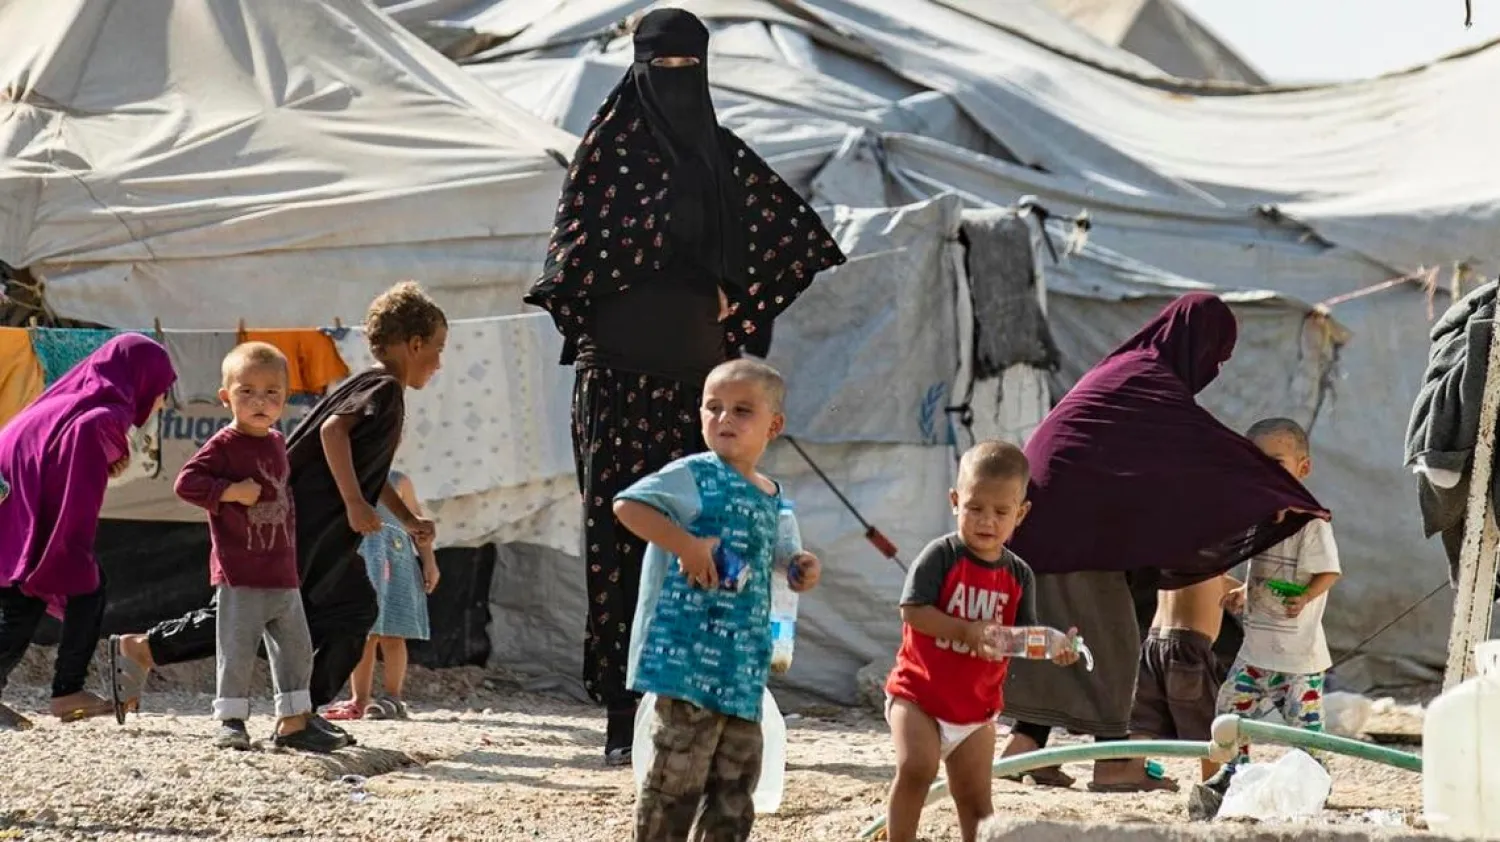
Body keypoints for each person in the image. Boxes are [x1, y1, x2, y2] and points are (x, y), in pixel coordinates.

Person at [523, 7, 846, 763]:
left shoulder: (719, 157)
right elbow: (573, 260)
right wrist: (667, 250)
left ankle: (698, 700)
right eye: (660, 68)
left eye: (686, 69)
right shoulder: (606, 154)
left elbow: (793, 241)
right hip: (618, 383)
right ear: (637, 67)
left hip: (699, 394)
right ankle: (619, 711)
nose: (674, 83)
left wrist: (735, 293)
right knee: (621, 538)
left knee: (708, 536)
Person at [996, 293, 1330, 792]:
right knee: (1115, 642)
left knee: (1071, 641)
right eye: (1215, 354)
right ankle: (1115, 765)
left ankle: (1023, 752)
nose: (1213, 368)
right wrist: (1278, 494)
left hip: (1040, 528)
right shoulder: (1148, 382)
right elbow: (1204, 453)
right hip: (1069, 533)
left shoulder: (1130, 373)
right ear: (1194, 341)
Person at [106, 282, 446, 745]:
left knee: (352, 609)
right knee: (253, 609)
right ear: (415, 344)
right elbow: (332, 433)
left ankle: (303, 713)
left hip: (327, 532)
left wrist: (405, 520)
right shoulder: (384, 387)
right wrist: (352, 503)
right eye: (438, 349)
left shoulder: (375, 387)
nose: (439, 362)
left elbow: (371, 471)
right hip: (303, 523)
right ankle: (145, 649)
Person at [613, 359, 822, 842]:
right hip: (686, 661)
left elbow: (779, 555)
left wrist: (799, 567)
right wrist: (686, 545)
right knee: (676, 776)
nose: (724, 419)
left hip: (742, 666)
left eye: (742, 410)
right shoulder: (692, 475)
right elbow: (628, 505)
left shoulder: (771, 494)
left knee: (736, 782)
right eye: (714, 407)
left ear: (774, 425)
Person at [883, 441, 1079, 842]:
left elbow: (1018, 639)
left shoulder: (1019, 575)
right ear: (955, 501)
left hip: (976, 711)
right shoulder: (941, 555)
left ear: (1020, 514)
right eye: (975, 508)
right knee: (917, 768)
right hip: (918, 695)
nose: (986, 521)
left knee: (976, 801)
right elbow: (912, 611)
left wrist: (1054, 647)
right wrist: (965, 631)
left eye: (1001, 512)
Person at [0, 334, 176, 730]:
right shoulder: (104, 416)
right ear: (141, 379)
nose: (163, 401)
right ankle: (67, 692)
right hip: (24, 514)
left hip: (15, 509)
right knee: (74, 586)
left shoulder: (75, 401)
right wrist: (70, 548)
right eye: (163, 389)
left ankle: (66, 690)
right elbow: (78, 491)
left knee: (26, 599)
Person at [174, 342, 341, 752]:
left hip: (282, 570)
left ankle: (293, 720)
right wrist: (229, 491)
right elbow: (186, 483)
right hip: (240, 570)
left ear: (285, 398)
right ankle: (231, 720)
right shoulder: (224, 445)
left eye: (272, 393)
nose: (260, 401)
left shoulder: (277, 443)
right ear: (225, 396)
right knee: (237, 649)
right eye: (246, 391)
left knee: (297, 649)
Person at [1200, 418, 1342, 800]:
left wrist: (1306, 596)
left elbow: (1329, 572)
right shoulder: (1260, 521)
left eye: (1275, 462)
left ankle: (1317, 783)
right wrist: (1247, 591)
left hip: (1298, 658)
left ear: (1303, 468)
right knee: (1230, 710)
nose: (1264, 472)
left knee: (1305, 730)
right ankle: (1234, 774)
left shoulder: (1311, 523)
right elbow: (1265, 569)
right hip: (1256, 652)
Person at [324, 469, 438, 721]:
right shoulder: (350, 479)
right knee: (364, 633)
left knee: (394, 634)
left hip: (396, 562)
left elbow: (418, 525)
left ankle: (393, 698)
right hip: (362, 562)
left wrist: (429, 562)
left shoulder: (400, 481)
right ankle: (360, 699)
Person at [1126, 572, 1235, 787]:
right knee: (1207, 724)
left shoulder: (1177, 552)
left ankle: (1132, 767)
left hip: (1155, 640)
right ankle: (1212, 781)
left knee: (1144, 717)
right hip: (1189, 645)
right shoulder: (1210, 556)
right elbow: (1224, 582)